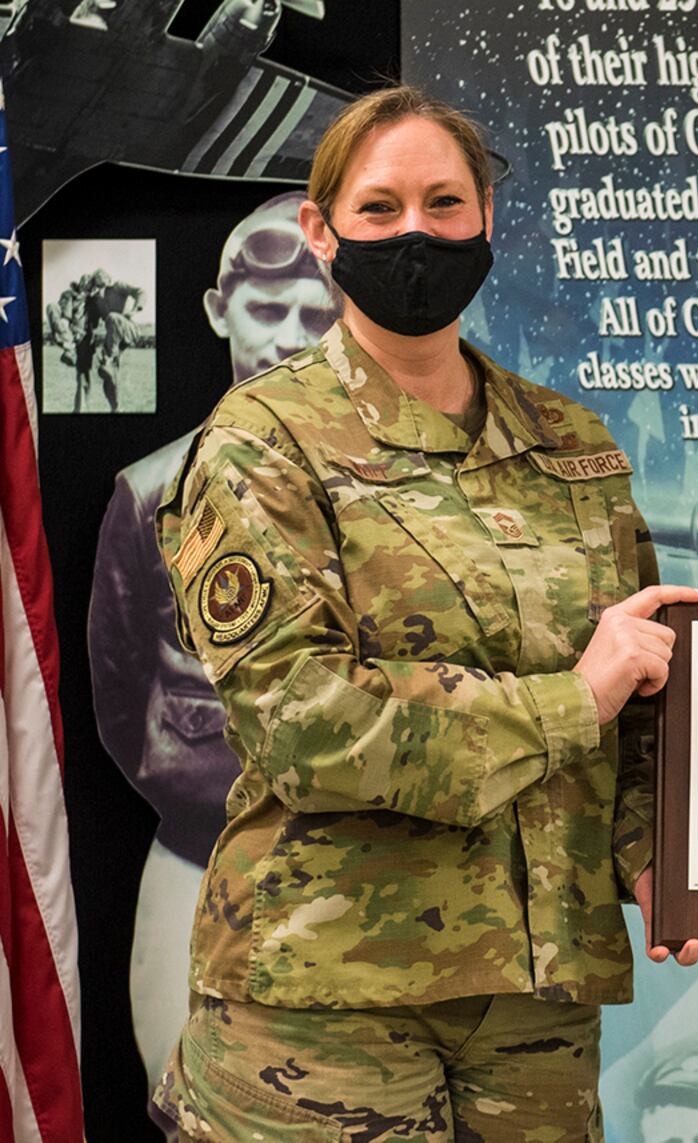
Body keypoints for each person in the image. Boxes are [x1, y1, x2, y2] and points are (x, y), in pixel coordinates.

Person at [150, 86, 698, 1141]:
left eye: (443, 202)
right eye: (379, 209)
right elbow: (304, 725)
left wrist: (665, 854)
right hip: (327, 1002)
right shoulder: (263, 443)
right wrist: (570, 701)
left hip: (536, 999)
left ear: (487, 222)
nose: (415, 233)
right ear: (320, 232)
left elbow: (641, 685)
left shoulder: (573, 443)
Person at [87, 191, 341, 1094]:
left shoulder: (403, 500)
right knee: (185, 1096)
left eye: (317, 314)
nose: (287, 335)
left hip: (368, 872)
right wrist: (203, 795)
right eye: (267, 308)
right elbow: (119, 699)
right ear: (218, 308)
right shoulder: (150, 493)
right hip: (199, 857)